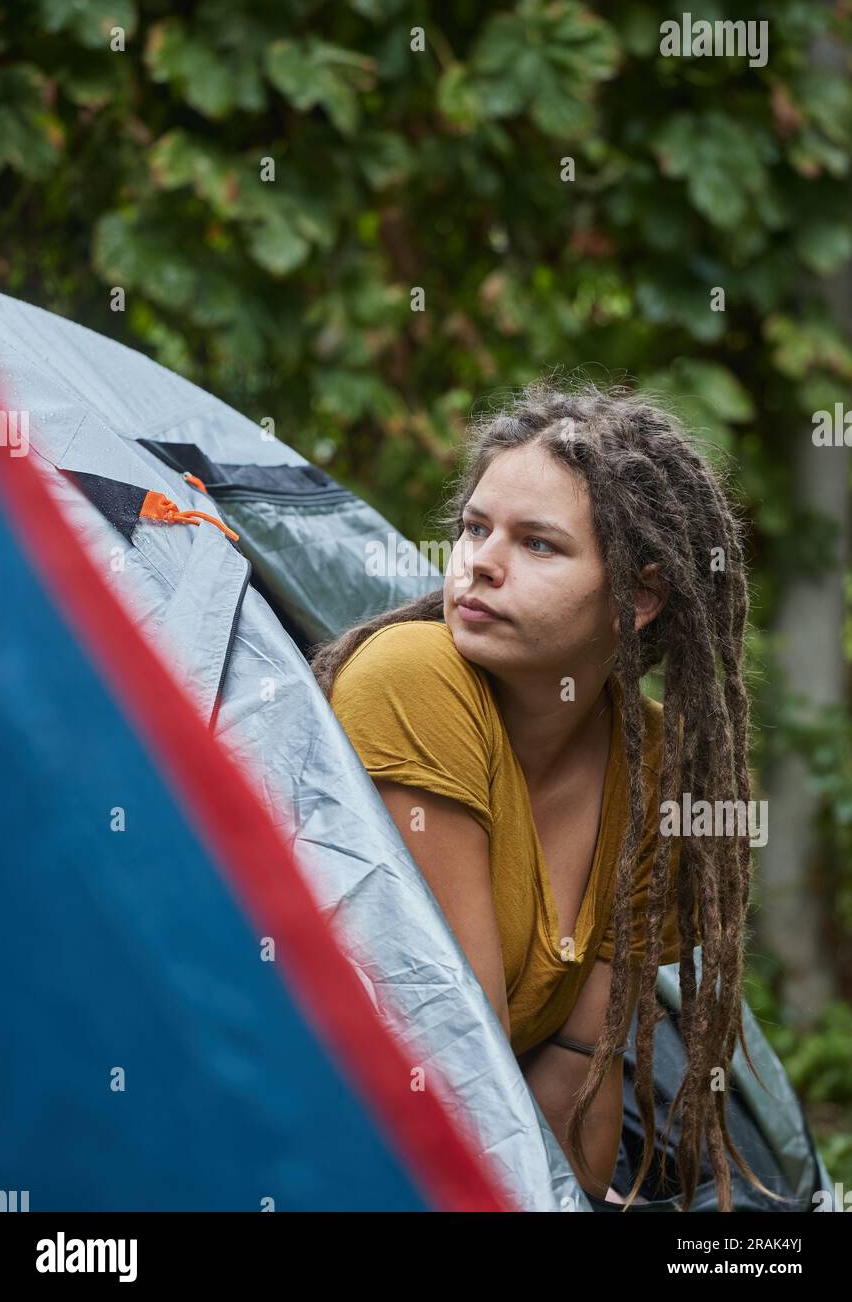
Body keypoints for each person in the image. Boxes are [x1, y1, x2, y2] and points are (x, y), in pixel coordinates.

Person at [311, 377, 781, 1212]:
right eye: (475, 528)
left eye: (538, 544)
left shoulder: (653, 766)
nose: (478, 563)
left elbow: (579, 1068)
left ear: (637, 598)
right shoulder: (413, 679)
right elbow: (463, 1053)